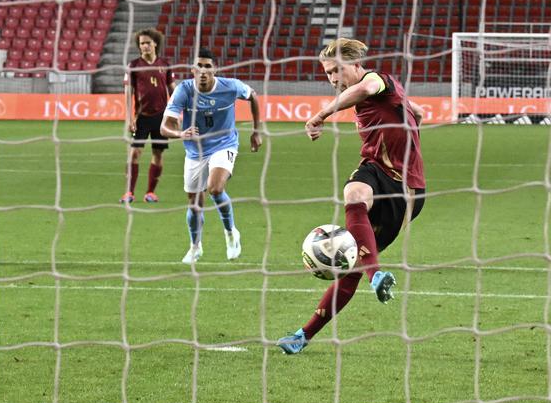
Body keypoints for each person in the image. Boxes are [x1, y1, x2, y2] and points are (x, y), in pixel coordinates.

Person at [278, 38, 427, 355]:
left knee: (353, 265)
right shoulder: (388, 91)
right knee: (353, 196)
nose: (332, 79)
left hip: (407, 188)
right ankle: (303, 335)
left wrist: (322, 114)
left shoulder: (377, 79)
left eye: (336, 71)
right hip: (375, 171)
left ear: (354, 64)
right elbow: (416, 110)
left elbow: (364, 89)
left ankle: (370, 274)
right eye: (328, 74)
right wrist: (413, 117)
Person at [160, 49, 262, 264]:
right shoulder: (184, 90)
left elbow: (252, 96)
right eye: (199, 66)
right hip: (195, 151)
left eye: (208, 66)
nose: (203, 71)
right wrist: (180, 133)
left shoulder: (230, 86)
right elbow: (164, 127)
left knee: (215, 188)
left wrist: (256, 131)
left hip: (225, 144)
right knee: (195, 203)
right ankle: (195, 247)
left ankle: (231, 233)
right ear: (192, 70)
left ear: (214, 69)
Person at [122, 28, 171, 204]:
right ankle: (129, 193)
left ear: (155, 43)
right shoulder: (133, 66)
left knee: (158, 154)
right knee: (134, 153)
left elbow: (173, 90)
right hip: (141, 117)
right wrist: (129, 118)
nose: (145, 46)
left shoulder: (165, 64)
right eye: (142, 43)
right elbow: (128, 93)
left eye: (148, 43)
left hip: (161, 118)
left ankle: (150, 192)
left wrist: (176, 113)